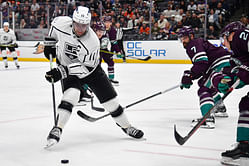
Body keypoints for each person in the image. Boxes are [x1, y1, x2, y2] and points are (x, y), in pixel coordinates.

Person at [44, 6, 144, 148]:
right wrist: (49, 44)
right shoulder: (60, 23)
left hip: (91, 71)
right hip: (66, 67)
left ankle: (127, 127)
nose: (80, 28)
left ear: (88, 24)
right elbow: (53, 31)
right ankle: (57, 128)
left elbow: (86, 68)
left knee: (111, 103)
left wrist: (61, 71)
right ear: (73, 21)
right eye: (77, 24)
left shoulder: (92, 41)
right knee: (71, 95)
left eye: (84, 25)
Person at [178, 26, 231, 129]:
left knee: (204, 88)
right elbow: (203, 67)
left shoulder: (193, 44)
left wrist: (190, 74)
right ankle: (220, 107)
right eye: (181, 39)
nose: (182, 41)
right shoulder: (198, 42)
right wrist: (190, 76)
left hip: (220, 64)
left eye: (184, 38)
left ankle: (208, 118)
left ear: (191, 36)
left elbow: (201, 62)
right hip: (225, 63)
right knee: (204, 82)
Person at [212, 21, 249, 166]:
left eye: (224, 38)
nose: (223, 43)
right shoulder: (237, 56)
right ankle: (245, 147)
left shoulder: (241, 36)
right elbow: (234, 76)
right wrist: (223, 82)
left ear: (231, 34)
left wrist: (245, 71)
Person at [102, 15, 121, 86]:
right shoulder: (100, 28)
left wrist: (118, 51)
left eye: (108, 22)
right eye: (105, 22)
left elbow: (114, 43)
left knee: (111, 63)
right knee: (97, 65)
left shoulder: (113, 31)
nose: (107, 24)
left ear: (111, 23)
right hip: (99, 51)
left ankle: (111, 79)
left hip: (107, 50)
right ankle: (96, 80)